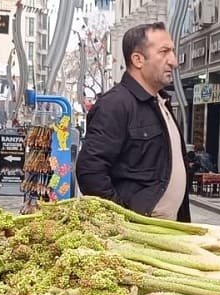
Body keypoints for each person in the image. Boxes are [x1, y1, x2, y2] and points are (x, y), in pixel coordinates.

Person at [75, 22, 191, 222]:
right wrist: (123, 220)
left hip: (169, 231)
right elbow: (90, 171)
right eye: (164, 52)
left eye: (172, 51)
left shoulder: (161, 102)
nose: (173, 61)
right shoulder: (115, 104)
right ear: (138, 59)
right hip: (138, 234)